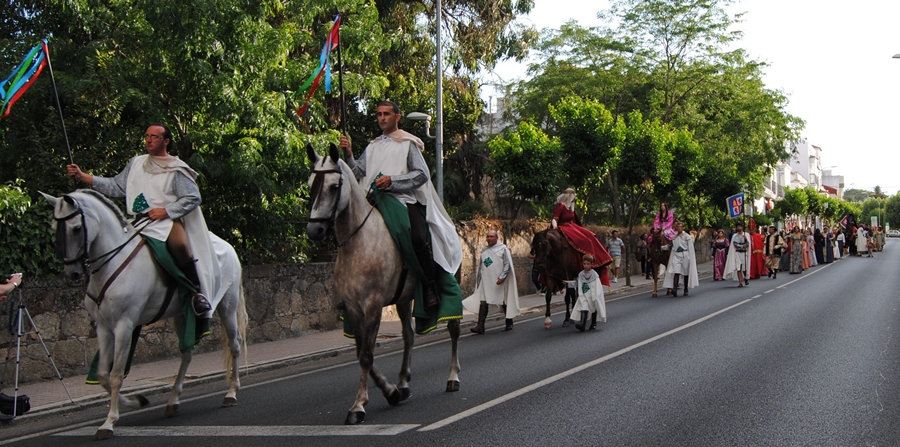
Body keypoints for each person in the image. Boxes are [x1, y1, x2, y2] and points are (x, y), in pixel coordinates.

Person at [67, 124, 215, 321]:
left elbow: (192, 197)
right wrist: (84, 176)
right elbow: (117, 186)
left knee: (179, 245)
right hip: (137, 222)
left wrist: (166, 211)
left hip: (167, 222)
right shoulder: (136, 163)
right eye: (146, 136)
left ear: (166, 141)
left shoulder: (176, 168)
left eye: (154, 136)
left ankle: (197, 293)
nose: (148, 140)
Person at [340, 101, 462, 311]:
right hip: (373, 200)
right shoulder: (372, 146)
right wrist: (349, 153)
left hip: (402, 199)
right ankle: (351, 288)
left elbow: (421, 174)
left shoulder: (408, 143)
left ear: (397, 117)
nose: (382, 118)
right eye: (379, 114)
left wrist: (393, 181)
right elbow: (357, 172)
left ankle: (429, 284)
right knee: (350, 233)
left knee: (416, 236)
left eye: (386, 114)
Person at [463, 230, 519, 334]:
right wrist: (479, 280)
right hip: (486, 281)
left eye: (491, 236)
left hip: (498, 280)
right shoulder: (484, 250)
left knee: (502, 300)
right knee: (483, 301)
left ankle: (509, 321)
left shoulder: (503, 249)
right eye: (488, 236)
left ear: (497, 237)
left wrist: (502, 277)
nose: (489, 238)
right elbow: (481, 267)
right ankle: (480, 326)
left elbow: (507, 264)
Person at [550, 188, 613, 277]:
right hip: (564, 227)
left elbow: (575, 220)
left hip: (573, 226)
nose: (574, 199)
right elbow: (554, 219)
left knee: (591, 235)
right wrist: (555, 228)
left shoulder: (571, 207)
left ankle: (599, 260)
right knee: (585, 241)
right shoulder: (561, 206)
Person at [571, 254, 606, 332]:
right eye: (584, 264)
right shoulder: (581, 274)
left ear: (591, 264)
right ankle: (582, 324)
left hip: (592, 295)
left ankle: (593, 323)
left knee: (593, 308)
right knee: (584, 307)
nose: (586, 266)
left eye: (588, 264)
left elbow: (597, 287)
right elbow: (577, 283)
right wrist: (568, 283)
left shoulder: (594, 275)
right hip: (584, 295)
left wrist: (596, 296)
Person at [663, 221, 698, 297]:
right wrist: (661, 247)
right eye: (678, 226)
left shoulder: (687, 237)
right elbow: (669, 246)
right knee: (676, 271)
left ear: (683, 227)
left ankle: (685, 289)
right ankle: (674, 289)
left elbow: (690, 248)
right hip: (676, 255)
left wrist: (690, 257)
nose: (679, 228)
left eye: (680, 226)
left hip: (685, 255)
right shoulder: (674, 237)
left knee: (685, 273)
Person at [724, 222, 751, 287]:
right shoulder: (734, 236)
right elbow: (735, 244)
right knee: (738, 268)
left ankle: (746, 278)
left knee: (744, 268)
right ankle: (740, 282)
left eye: (740, 226)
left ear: (742, 227)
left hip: (744, 253)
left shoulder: (746, 235)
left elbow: (748, 244)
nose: (739, 228)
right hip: (737, 253)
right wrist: (741, 246)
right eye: (737, 226)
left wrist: (746, 240)